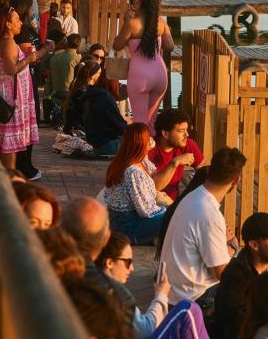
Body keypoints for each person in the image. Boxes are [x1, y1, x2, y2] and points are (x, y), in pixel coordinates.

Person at [160, 147, 245, 305]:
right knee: (249, 286)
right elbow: (221, 274)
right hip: (191, 297)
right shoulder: (210, 214)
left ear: (209, 171)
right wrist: (232, 246)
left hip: (172, 291)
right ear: (236, 181)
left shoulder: (193, 196)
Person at [97, 233, 210, 339]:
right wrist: (161, 295)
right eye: (128, 262)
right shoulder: (112, 293)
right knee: (188, 309)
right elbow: (147, 330)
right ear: (109, 263)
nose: (132, 268)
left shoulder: (93, 283)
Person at [60, 196, 137, 325]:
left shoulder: (38, 261)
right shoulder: (119, 297)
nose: (131, 268)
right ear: (106, 239)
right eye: (127, 262)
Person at [0, 5, 43, 169]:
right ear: (8, 24)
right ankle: (7, 187)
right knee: (8, 159)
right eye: (16, 20)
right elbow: (11, 70)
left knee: (3, 153)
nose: (20, 23)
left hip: (5, 99)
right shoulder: (8, 43)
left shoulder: (3, 42)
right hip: (10, 102)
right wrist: (28, 59)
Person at [114, 0, 174, 131]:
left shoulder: (132, 24)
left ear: (136, 0)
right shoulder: (160, 22)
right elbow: (170, 46)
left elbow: (117, 46)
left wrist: (125, 22)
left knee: (139, 122)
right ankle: (152, 151)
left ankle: (141, 154)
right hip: (160, 74)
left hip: (140, 75)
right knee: (151, 121)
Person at [104, 124, 166, 245]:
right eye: (149, 138)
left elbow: (152, 170)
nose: (152, 140)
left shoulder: (131, 161)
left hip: (119, 221)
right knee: (175, 215)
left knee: (173, 211)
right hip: (127, 227)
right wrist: (167, 211)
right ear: (142, 144)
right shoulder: (133, 172)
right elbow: (146, 211)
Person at [63, 61, 128, 156]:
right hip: (106, 145)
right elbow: (119, 126)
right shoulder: (104, 97)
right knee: (141, 144)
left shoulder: (93, 94)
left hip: (96, 143)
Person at [149, 109, 205, 201]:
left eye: (186, 130)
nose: (186, 134)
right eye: (181, 131)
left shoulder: (186, 144)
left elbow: (203, 170)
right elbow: (153, 188)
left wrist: (190, 195)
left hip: (175, 201)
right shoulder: (149, 149)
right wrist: (174, 162)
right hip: (152, 204)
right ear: (165, 133)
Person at [49, 33, 82, 101]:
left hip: (55, 93)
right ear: (79, 44)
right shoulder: (78, 58)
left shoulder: (54, 58)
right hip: (70, 94)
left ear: (67, 42)